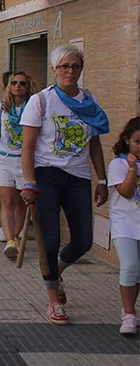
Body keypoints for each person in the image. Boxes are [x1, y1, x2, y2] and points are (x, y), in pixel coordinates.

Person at [20, 45, 109, 326]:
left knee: (83, 240)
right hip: (46, 175)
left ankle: (55, 270)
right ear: (55, 69)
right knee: (49, 240)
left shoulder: (89, 100)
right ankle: (53, 300)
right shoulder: (41, 101)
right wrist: (29, 182)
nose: (71, 71)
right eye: (65, 66)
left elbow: (94, 143)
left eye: (76, 66)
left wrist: (102, 179)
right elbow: (28, 146)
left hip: (78, 177)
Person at [0, 71, 37, 259]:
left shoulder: (34, 105)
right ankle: (10, 241)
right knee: (7, 201)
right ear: (8, 86)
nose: (18, 86)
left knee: (22, 203)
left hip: (25, 159)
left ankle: (14, 236)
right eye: (14, 83)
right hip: (4, 158)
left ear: (28, 86)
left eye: (22, 83)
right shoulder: (0, 107)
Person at [108, 116, 140, 336]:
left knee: (138, 271)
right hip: (125, 223)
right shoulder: (118, 164)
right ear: (127, 140)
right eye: (138, 141)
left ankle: (129, 309)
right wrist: (132, 169)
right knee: (129, 266)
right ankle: (129, 315)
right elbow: (126, 192)